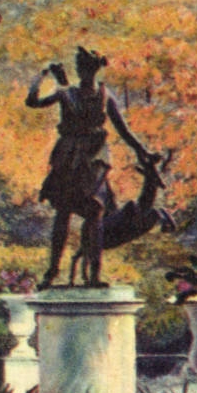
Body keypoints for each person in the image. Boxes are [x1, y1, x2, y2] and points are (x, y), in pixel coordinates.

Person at [26, 46, 157, 288]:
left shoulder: (105, 96)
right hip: (69, 158)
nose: (84, 73)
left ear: (94, 70)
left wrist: (143, 152)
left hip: (94, 160)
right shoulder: (66, 93)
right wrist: (41, 76)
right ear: (78, 70)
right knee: (63, 212)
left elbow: (123, 130)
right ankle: (52, 272)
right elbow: (32, 102)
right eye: (81, 69)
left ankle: (94, 275)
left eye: (87, 68)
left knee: (95, 212)